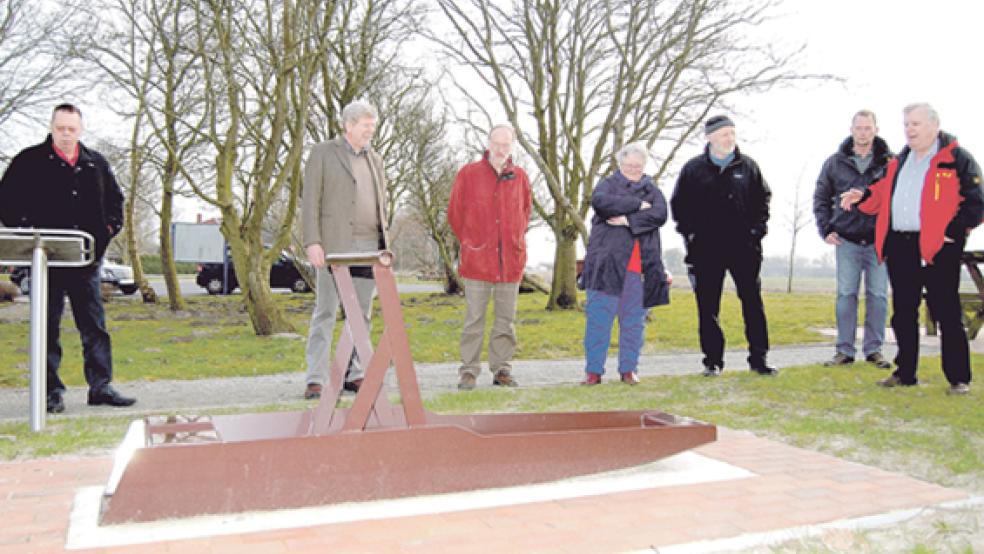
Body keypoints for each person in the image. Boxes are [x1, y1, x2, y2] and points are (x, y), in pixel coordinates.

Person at [0, 103, 135, 413]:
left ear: (80, 130)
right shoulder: (29, 161)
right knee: (46, 326)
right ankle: (49, 391)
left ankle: (101, 386)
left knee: (94, 325)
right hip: (45, 260)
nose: (65, 134)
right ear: (52, 127)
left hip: (85, 261)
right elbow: (5, 200)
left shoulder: (95, 164)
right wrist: (26, 230)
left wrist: (107, 230)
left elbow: (116, 202)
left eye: (71, 129)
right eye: (60, 128)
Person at [841, 103, 984, 395]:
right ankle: (905, 372)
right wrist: (863, 195)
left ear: (934, 125)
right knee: (904, 312)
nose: (910, 130)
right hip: (901, 244)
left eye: (916, 124)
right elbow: (881, 194)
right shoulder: (899, 161)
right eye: (906, 124)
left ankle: (958, 378)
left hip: (938, 247)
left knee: (946, 310)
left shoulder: (956, 158)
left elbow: (977, 202)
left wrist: (953, 232)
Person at [670, 115, 777, 377]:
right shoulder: (693, 169)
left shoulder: (748, 167)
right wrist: (691, 235)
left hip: (744, 248)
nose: (730, 138)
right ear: (709, 137)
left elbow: (763, 200)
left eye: (732, 133)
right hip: (706, 249)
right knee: (708, 307)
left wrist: (756, 232)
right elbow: (679, 205)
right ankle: (713, 361)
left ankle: (759, 358)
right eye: (724, 134)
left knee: (752, 302)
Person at [301, 100, 388, 399]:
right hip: (333, 247)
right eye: (366, 126)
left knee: (361, 315)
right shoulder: (323, 153)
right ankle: (316, 378)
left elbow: (381, 205)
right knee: (326, 311)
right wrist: (312, 241)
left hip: (368, 248)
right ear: (349, 125)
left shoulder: (375, 159)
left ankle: (355, 374)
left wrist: (384, 245)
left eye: (372, 127)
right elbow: (310, 200)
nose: (370, 132)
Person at [447, 124, 532, 390]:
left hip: (510, 263)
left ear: (512, 146)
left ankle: (502, 370)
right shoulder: (468, 174)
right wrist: (472, 242)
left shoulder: (520, 177)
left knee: (506, 320)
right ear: (488, 143)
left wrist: (513, 239)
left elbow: (525, 213)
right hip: (477, 262)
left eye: (506, 145)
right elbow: (455, 214)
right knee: (474, 320)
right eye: (496, 143)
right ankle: (468, 372)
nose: (500, 149)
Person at [580, 142, 670, 385]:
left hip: (640, 270)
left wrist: (628, 221)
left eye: (638, 167)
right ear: (620, 164)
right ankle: (594, 372)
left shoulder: (652, 189)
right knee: (599, 321)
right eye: (629, 165)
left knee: (633, 324)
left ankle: (628, 370)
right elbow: (601, 203)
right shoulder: (607, 185)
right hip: (606, 268)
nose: (633, 170)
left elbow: (660, 214)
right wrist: (638, 206)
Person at [813, 110, 894, 369]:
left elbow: (895, 198)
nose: (863, 133)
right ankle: (844, 351)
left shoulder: (889, 162)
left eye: (868, 128)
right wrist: (825, 229)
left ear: (876, 130)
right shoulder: (835, 163)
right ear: (852, 130)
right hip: (846, 240)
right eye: (859, 128)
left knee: (878, 296)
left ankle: (874, 350)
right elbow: (821, 197)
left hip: (877, 241)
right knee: (846, 294)